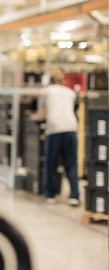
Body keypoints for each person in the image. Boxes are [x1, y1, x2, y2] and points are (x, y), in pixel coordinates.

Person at [32, 68, 79, 206]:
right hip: (71, 128)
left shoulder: (45, 92)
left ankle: (50, 194)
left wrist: (32, 117)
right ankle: (74, 196)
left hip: (54, 129)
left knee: (50, 163)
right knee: (71, 163)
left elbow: (41, 114)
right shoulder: (70, 93)